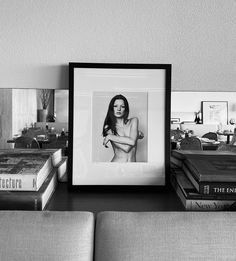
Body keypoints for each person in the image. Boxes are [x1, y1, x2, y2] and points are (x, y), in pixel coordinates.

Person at [102, 94, 144, 162]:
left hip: (133, 166)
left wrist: (110, 137)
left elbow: (132, 142)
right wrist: (135, 135)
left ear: (126, 109)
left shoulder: (134, 121)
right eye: (115, 106)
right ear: (112, 108)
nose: (119, 109)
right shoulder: (108, 128)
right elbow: (126, 148)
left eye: (122, 106)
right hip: (116, 166)